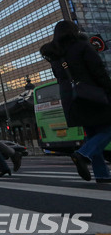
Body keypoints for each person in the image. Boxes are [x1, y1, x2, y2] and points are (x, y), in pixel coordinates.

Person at [40, 20, 111, 183]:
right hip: (91, 94)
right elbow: (98, 70)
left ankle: (102, 173)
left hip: (72, 98)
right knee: (106, 129)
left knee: (92, 132)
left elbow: (59, 78)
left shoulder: (55, 55)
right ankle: (83, 154)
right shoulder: (82, 46)